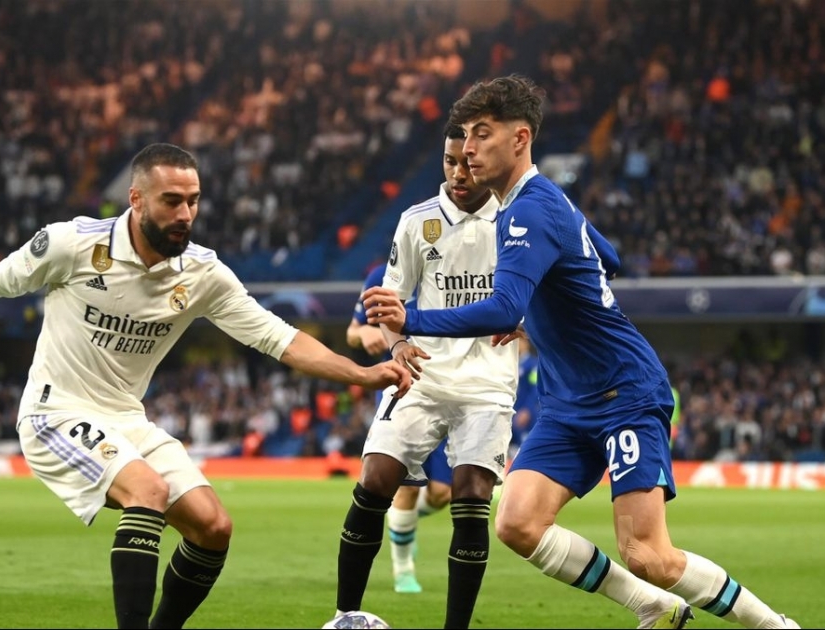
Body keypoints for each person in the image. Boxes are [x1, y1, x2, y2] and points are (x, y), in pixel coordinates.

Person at [363, 74, 800, 630]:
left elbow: (502, 308)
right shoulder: (541, 202)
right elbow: (607, 256)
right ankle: (652, 606)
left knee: (648, 555)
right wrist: (542, 307)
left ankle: (775, 627)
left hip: (623, 392)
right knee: (517, 522)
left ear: (520, 138)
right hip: (568, 402)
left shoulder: (529, 210)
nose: (468, 148)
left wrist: (411, 320)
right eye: (466, 135)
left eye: (482, 133)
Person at [0, 142, 412, 630]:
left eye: (193, 201)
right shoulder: (73, 244)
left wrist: (361, 373)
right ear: (136, 199)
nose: (185, 214)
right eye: (171, 201)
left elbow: (278, 337)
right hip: (56, 412)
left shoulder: (202, 273)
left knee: (213, 528)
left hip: (127, 420)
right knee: (148, 491)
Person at [333, 122, 519, 629]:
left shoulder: (515, 219)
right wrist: (397, 344)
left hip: (486, 383)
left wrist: (528, 319)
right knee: (375, 480)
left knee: (470, 495)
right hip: (422, 376)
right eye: (450, 161)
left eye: (469, 163)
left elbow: (548, 289)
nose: (459, 172)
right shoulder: (417, 221)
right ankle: (344, 616)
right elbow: (389, 302)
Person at [347, 262, 453, 594]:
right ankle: (403, 569)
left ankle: (400, 523)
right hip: (404, 388)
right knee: (404, 486)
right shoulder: (382, 276)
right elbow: (353, 331)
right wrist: (363, 333)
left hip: (452, 388)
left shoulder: (455, 267)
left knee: (442, 494)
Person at [508, 336, 539, 461]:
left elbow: (535, 388)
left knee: (524, 448)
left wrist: (527, 409)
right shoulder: (512, 364)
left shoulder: (533, 365)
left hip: (525, 413)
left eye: (517, 341)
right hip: (512, 412)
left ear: (525, 343)